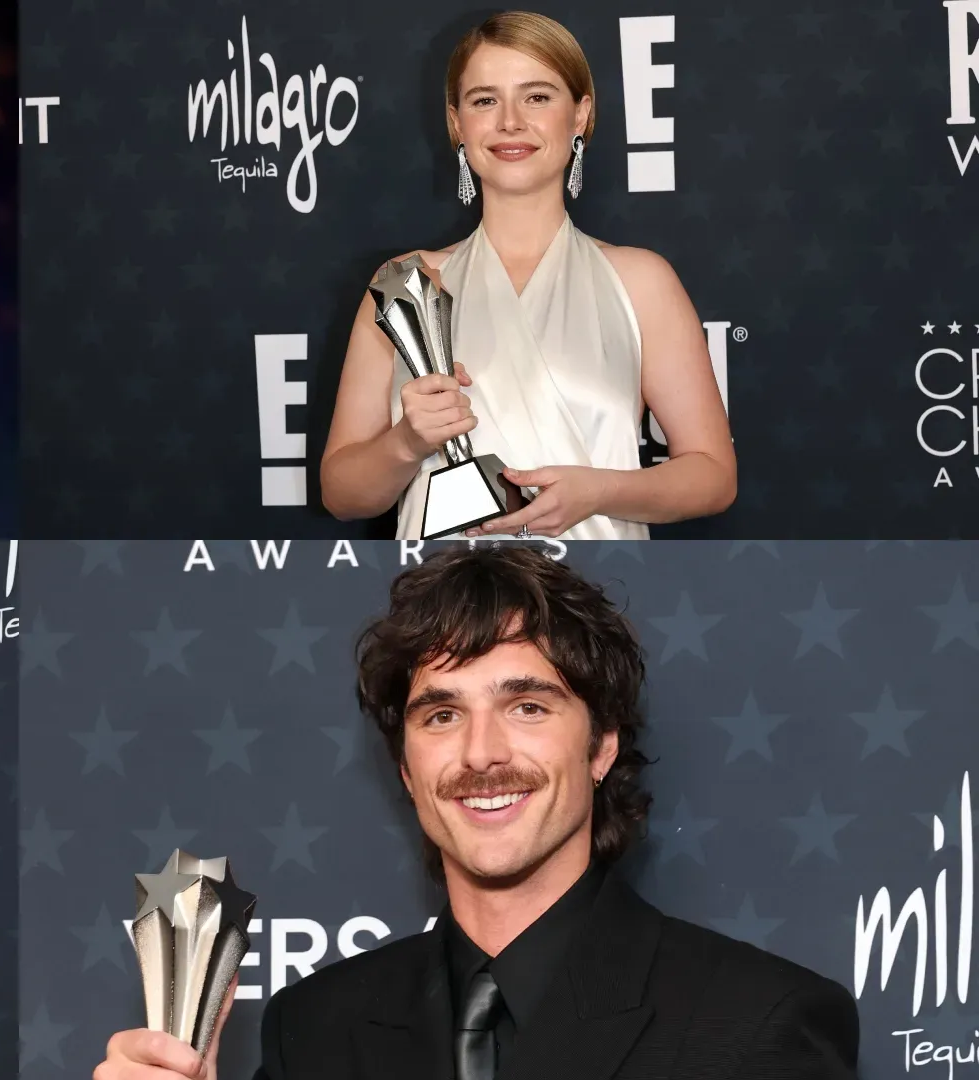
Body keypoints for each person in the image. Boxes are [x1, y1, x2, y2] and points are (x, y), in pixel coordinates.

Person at [95, 545, 858, 1080]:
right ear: (406, 767)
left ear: (600, 748)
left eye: (526, 705)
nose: (481, 754)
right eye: (440, 715)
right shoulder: (317, 1030)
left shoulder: (760, 1023)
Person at [319, 11, 735, 540]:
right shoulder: (408, 285)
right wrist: (406, 442)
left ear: (581, 114)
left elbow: (713, 475)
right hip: (445, 607)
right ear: (456, 124)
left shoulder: (641, 280)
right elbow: (342, 495)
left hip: (593, 600)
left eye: (537, 96)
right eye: (485, 100)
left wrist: (600, 491)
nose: (510, 121)